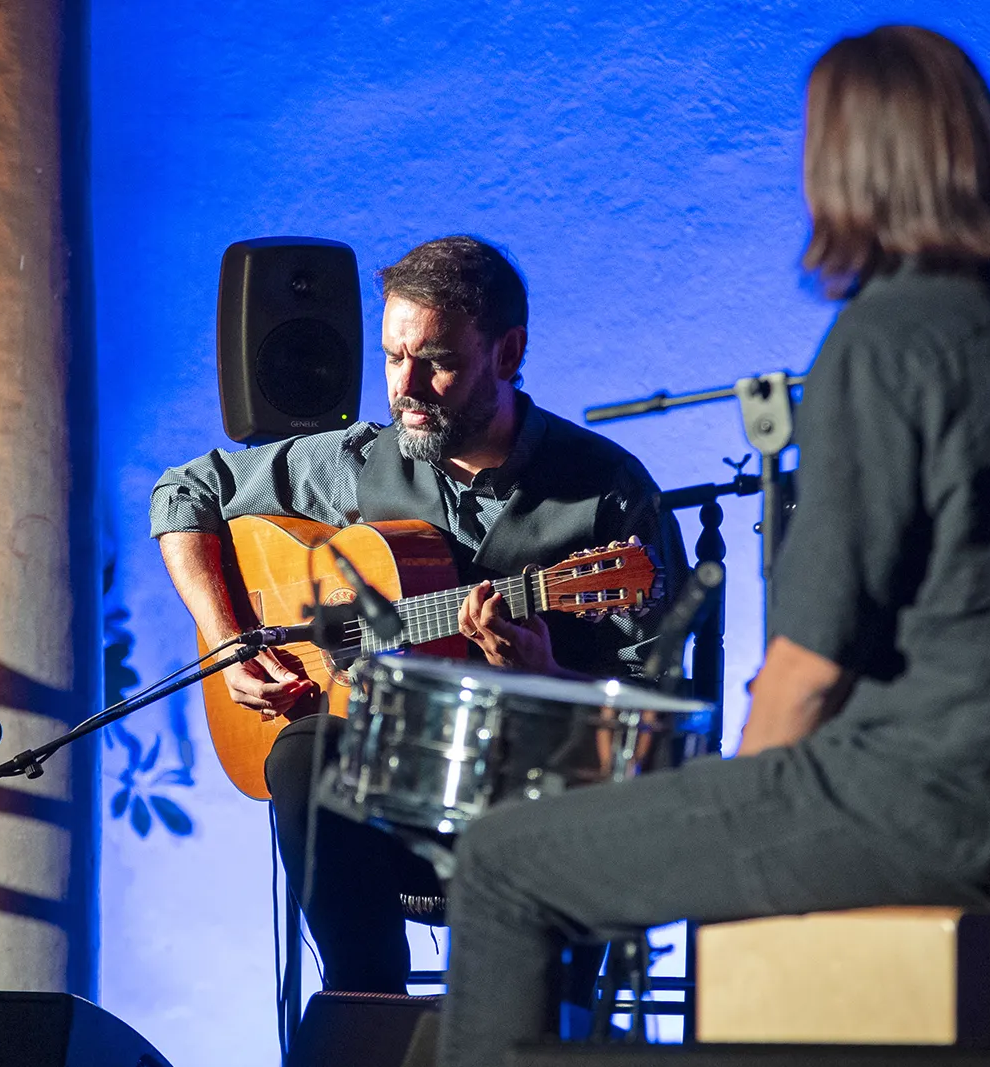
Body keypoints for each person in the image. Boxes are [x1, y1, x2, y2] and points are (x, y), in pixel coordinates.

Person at [436, 25, 990, 1067]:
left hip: (926, 798)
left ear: (849, 163)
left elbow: (807, 665)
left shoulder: (891, 336)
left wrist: (729, 833)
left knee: (502, 864)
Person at [150, 234, 687, 994]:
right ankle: (364, 1006)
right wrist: (233, 642)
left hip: (537, 813)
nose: (408, 388)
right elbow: (184, 493)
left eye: (437, 361)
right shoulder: (359, 461)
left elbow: (659, 725)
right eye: (395, 357)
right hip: (395, 816)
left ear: (507, 353)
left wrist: (548, 678)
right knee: (306, 755)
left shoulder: (605, 491)